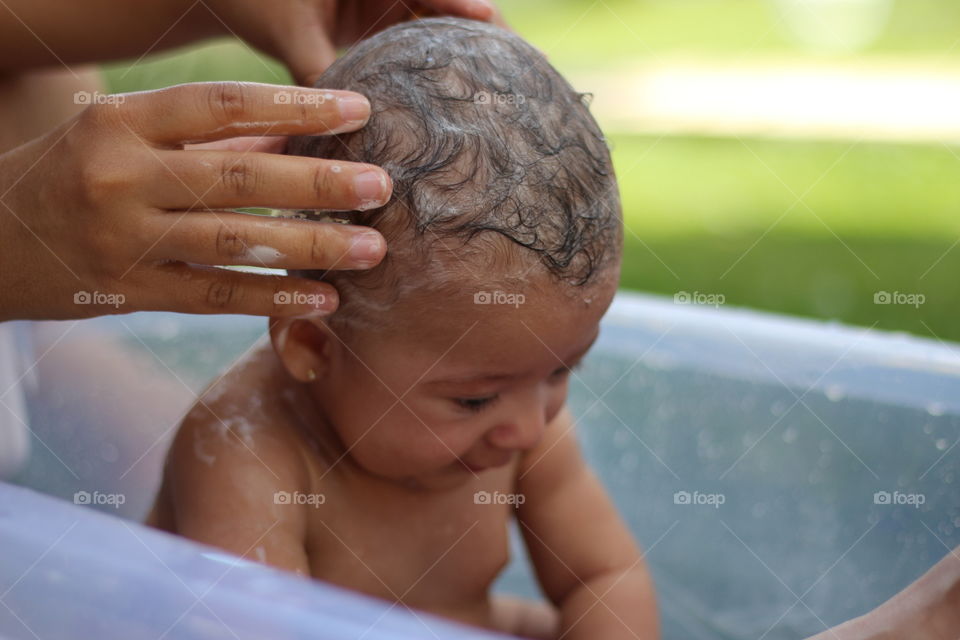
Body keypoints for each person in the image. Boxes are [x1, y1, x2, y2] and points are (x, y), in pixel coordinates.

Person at [147, 17, 659, 640]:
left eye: (561, 371)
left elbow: (602, 576)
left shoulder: (514, 405)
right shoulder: (248, 450)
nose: (530, 426)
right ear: (311, 344)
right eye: (473, 399)